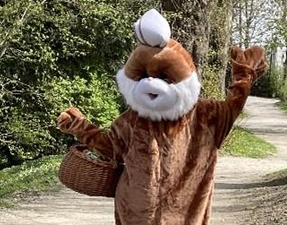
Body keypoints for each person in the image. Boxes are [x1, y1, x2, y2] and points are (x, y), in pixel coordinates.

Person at [57, 9, 267, 225]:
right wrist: (80, 126)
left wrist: (243, 74)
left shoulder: (207, 115)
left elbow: (234, 105)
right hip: (134, 215)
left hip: (186, 217)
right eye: (142, 77)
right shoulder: (132, 119)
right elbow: (110, 147)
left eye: (164, 77)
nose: (150, 83)